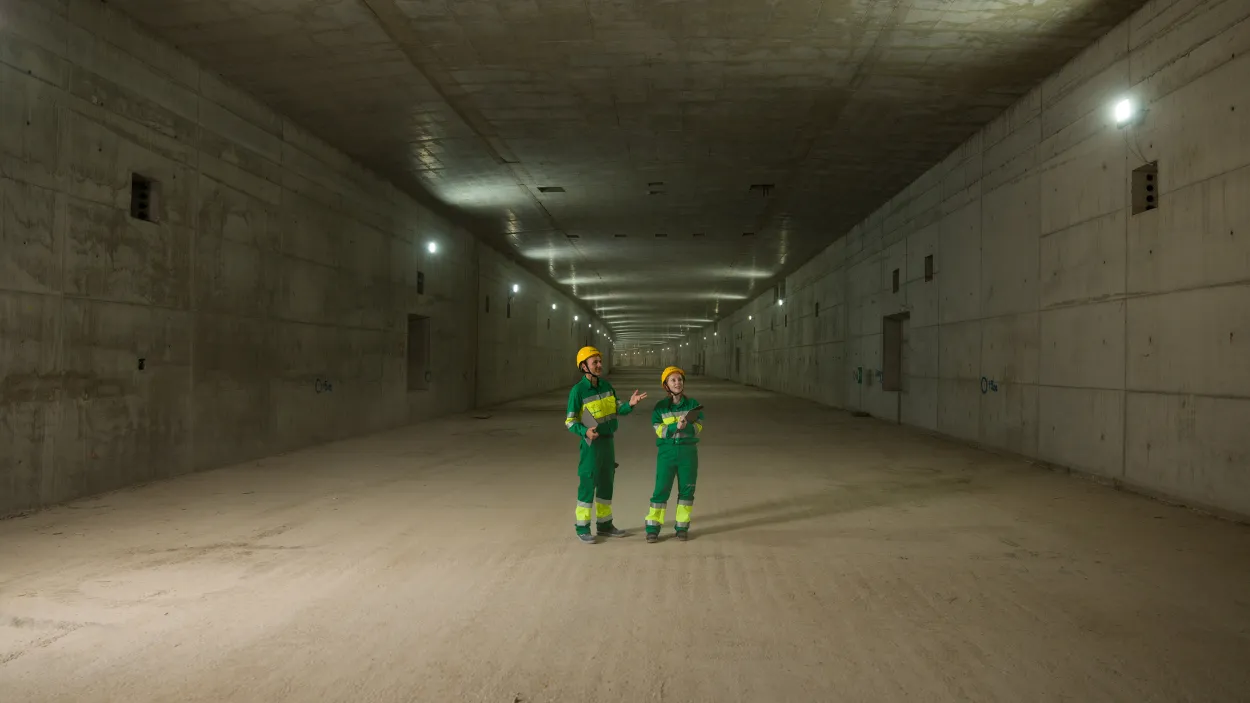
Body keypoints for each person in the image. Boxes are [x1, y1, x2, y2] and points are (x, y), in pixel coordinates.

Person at [565, 346, 646, 544]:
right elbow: (570, 421)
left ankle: (604, 525)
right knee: (588, 483)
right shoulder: (578, 391)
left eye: (600, 362)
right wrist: (584, 431)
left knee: (606, 484)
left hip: (608, 443)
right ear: (584, 366)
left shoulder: (607, 386)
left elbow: (617, 407)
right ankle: (582, 527)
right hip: (591, 445)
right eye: (595, 362)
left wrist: (631, 404)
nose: (599, 365)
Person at [644, 366, 703, 543]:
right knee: (661, 490)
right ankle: (653, 528)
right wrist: (674, 427)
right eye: (673, 380)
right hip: (667, 453)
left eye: (680, 379)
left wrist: (688, 427)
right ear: (666, 385)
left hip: (688, 453)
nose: (677, 383)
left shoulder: (693, 405)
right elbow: (658, 430)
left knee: (687, 491)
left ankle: (682, 527)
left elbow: (699, 427)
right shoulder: (660, 408)